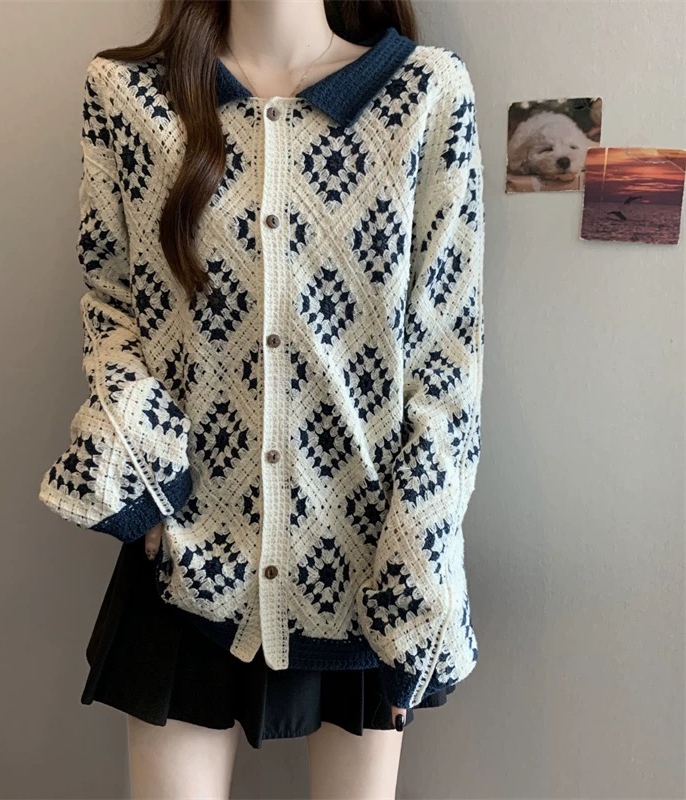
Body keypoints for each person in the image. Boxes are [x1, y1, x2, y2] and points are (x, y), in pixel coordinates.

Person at [38, 0, 486, 796]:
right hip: (184, 562)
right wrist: (155, 496)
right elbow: (110, 309)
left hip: (365, 567)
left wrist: (417, 565)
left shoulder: (423, 93)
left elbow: (446, 360)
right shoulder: (129, 96)